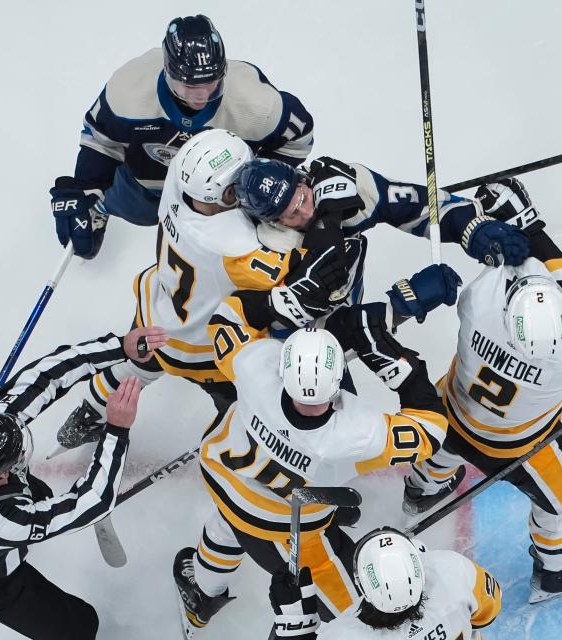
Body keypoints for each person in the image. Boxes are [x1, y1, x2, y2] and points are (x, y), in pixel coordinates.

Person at [401, 179, 562, 603]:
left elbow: (515, 259)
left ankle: (419, 492)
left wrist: (519, 227)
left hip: (453, 411)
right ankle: (552, 574)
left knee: (441, 441)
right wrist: (530, 226)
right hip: (517, 447)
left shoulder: (479, 303)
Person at [172, 296, 457, 638]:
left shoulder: (256, 366)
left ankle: (201, 596)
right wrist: (382, 351)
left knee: (227, 524)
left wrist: (292, 295)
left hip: (223, 477)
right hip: (283, 526)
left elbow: (227, 318)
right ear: (338, 379)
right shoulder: (355, 431)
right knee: (363, 619)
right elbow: (430, 431)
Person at [50, 128, 346, 457]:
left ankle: (88, 414)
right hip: (203, 347)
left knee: (139, 364)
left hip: (158, 307)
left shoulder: (180, 176)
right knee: (253, 409)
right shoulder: (237, 245)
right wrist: (328, 212)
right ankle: (248, 451)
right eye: (236, 190)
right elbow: (314, 268)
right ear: (223, 195)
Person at [0, 325, 166, 639]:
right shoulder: (8, 522)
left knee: (41, 493)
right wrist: (117, 430)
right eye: (14, 461)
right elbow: (93, 501)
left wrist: (118, 347)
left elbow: (46, 376)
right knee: (79, 627)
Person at [49, 14, 315, 260]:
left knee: (224, 256)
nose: (200, 96)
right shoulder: (129, 88)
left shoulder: (255, 102)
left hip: (222, 198)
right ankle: (103, 209)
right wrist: (88, 188)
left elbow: (298, 137)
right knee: (134, 208)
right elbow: (100, 141)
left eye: (210, 82)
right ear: (167, 69)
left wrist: (255, 182)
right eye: (189, 85)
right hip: (146, 186)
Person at [232, 156, 531, 319]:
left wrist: (473, 228)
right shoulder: (272, 255)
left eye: (301, 196)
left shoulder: (346, 184)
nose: (304, 212)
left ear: (302, 177)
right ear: (272, 222)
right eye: (289, 214)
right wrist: (399, 307)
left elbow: (416, 207)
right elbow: (327, 338)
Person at [269, 528, 502, 640]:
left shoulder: (344, 635)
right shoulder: (452, 570)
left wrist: (295, 624)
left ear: (360, 585)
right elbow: (487, 613)